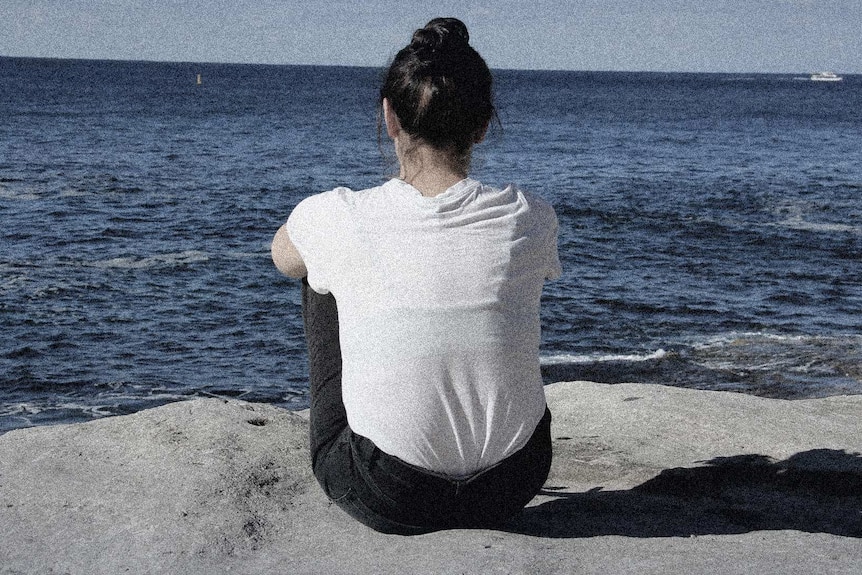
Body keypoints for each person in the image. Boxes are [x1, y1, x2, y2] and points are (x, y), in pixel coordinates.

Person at [271, 17, 561, 534]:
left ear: (390, 118)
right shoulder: (530, 215)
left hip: (390, 492)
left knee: (316, 267)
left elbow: (283, 256)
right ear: (483, 125)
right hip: (513, 481)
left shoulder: (340, 214)